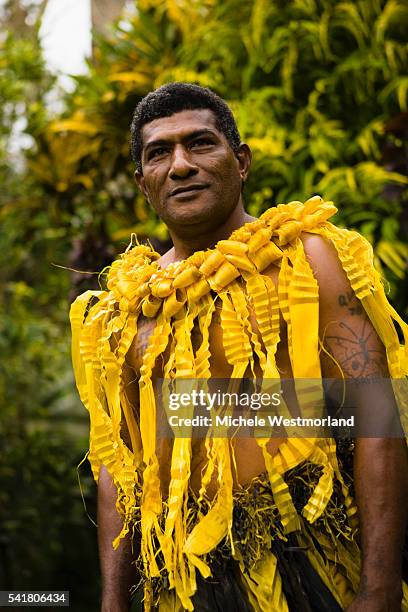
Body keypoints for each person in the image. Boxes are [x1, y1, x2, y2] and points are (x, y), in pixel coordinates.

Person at [70, 82, 408, 612]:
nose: (181, 165)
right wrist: (112, 603)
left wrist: (380, 590)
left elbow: (379, 419)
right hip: (182, 585)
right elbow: (120, 471)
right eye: (160, 153)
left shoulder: (308, 258)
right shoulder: (129, 310)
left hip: (313, 564)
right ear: (144, 182)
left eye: (201, 144)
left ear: (242, 161)